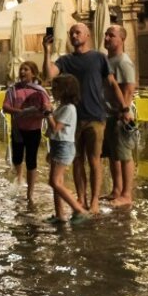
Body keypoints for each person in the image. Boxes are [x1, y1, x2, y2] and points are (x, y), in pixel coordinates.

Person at [43, 22, 123, 214]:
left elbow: (112, 83)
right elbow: (48, 75)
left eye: (77, 32)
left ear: (87, 35)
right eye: (71, 33)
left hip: (96, 116)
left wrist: (124, 108)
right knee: (78, 160)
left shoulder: (98, 57)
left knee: (95, 161)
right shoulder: (65, 60)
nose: (74, 36)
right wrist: (46, 51)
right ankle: (81, 197)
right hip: (73, 120)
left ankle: (94, 200)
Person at [45, 74, 91, 225]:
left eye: (55, 89)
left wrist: (48, 114)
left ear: (65, 90)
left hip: (64, 146)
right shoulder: (62, 107)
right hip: (57, 145)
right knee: (56, 181)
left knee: (55, 182)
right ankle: (60, 214)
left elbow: (56, 128)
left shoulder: (69, 109)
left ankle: (79, 209)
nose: (52, 91)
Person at [2, 61, 50, 205]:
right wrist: (19, 112)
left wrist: (40, 112)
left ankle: (30, 193)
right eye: (21, 69)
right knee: (17, 158)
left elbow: (47, 107)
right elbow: (5, 107)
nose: (22, 72)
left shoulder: (40, 91)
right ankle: (19, 176)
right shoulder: (12, 90)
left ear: (33, 73)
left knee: (31, 160)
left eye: (26, 69)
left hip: (34, 129)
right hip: (18, 129)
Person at [102, 25, 138, 207]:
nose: (107, 38)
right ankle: (116, 189)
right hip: (108, 114)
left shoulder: (123, 61)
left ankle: (126, 194)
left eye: (111, 35)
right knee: (113, 154)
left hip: (119, 115)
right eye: (106, 35)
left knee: (124, 154)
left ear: (122, 39)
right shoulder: (109, 60)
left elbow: (129, 89)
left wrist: (123, 111)